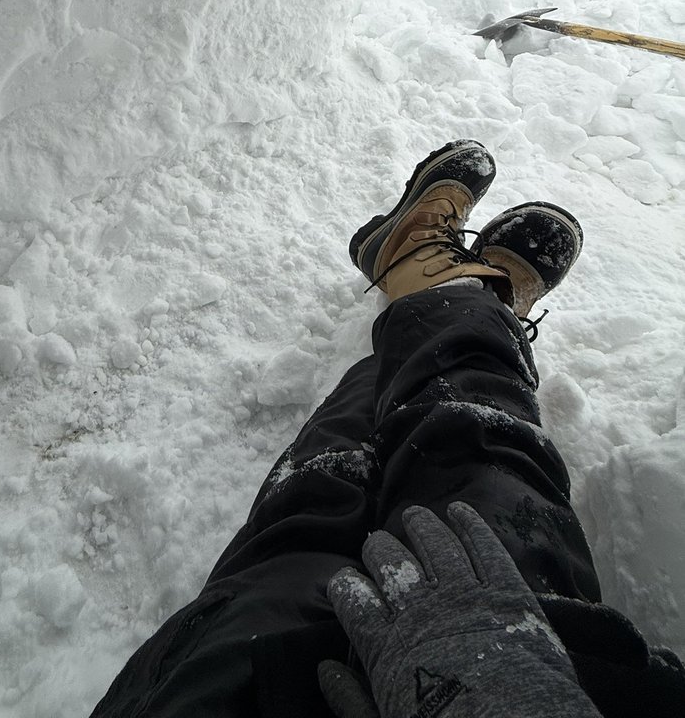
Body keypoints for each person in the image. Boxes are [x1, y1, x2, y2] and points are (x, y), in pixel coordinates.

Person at [90, 141, 685, 718]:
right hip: (558, 667)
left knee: (304, 528)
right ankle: (469, 301)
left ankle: (445, 290)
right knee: (486, 484)